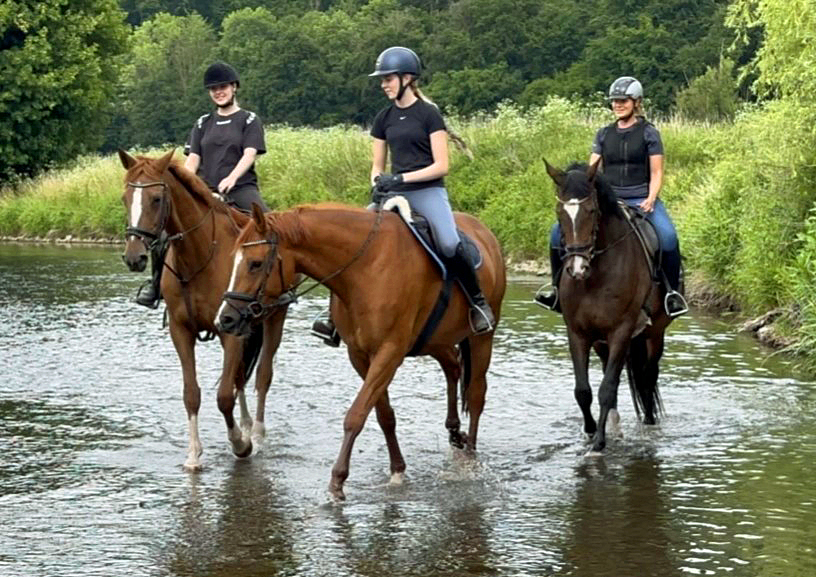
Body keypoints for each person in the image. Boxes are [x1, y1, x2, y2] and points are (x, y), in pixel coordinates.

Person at [311, 46, 495, 345]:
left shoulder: (429, 115)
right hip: (393, 193)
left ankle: (477, 302)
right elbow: (376, 164)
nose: (383, 84)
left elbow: (441, 165)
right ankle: (333, 318)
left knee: (449, 242)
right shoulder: (383, 118)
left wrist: (401, 177)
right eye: (381, 79)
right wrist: (377, 181)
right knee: (351, 245)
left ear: (407, 78)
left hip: (427, 191)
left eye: (388, 78)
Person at [535, 76, 687, 317]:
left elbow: (657, 172)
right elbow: (591, 173)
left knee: (668, 237)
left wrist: (650, 198)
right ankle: (555, 290)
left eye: (623, 100)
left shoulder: (649, 134)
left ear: (636, 102)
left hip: (640, 198)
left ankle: (671, 294)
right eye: (615, 101)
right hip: (610, 200)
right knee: (556, 234)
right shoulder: (604, 134)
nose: (618, 104)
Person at [136, 61, 268, 308]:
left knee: (268, 225)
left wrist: (231, 179)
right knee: (165, 234)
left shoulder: (249, 120)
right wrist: (186, 185)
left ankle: (277, 289)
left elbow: (249, 154)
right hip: (204, 191)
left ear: (234, 87)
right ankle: (155, 286)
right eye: (214, 89)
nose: (219, 92)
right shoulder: (201, 123)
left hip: (241, 188)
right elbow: (193, 160)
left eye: (223, 87)